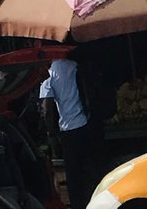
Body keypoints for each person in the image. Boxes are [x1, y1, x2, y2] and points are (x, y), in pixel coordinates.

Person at [39, 55, 100, 209]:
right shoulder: (74, 65)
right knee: (90, 169)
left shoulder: (49, 76)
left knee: (74, 175)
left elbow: (47, 109)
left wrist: (50, 132)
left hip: (68, 129)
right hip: (85, 123)